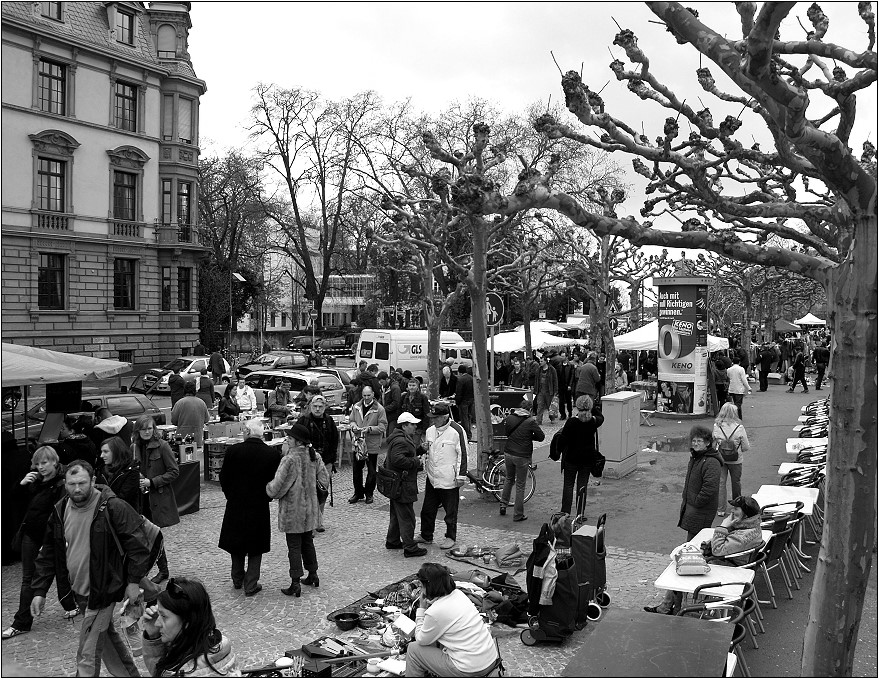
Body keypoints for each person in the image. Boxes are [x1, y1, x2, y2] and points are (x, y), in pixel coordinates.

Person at [30, 460, 151, 677]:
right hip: (80, 592)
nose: (77, 488)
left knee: (87, 652)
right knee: (106, 643)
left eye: (82, 483)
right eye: (71, 483)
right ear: (64, 484)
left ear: (93, 481)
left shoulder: (113, 506)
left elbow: (139, 547)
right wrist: (39, 591)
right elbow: (48, 552)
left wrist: (133, 582)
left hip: (104, 591)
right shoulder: (60, 509)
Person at [644, 496, 763, 615]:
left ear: (746, 514)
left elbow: (718, 550)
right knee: (685, 559)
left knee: (683, 567)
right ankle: (668, 608)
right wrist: (706, 546)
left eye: (736, 509)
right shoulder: (750, 526)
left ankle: (670, 609)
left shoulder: (743, 536)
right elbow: (725, 544)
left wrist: (723, 526)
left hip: (728, 570)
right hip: (732, 564)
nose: (732, 511)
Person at [3, 447, 75, 641]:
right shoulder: (34, 482)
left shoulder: (61, 482)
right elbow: (14, 502)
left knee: (62, 571)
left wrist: (53, 539)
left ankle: (70, 604)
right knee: (28, 578)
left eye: (45, 462)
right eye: (38, 463)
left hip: (51, 537)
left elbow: (60, 513)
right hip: (31, 535)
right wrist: (21, 485)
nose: (41, 467)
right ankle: (21, 622)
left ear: (54, 461)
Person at [218, 419, 281, 597]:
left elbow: (223, 477)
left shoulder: (233, 451)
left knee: (236, 543)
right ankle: (251, 583)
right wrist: (267, 497)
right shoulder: (272, 454)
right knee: (256, 545)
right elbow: (274, 482)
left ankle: (237, 579)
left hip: (236, 503)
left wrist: (230, 494)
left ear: (246, 432)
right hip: (259, 504)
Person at [265, 423, 329, 597]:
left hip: (293, 510)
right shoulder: (314, 456)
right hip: (310, 509)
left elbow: (278, 487)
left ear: (297, 441)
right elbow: (324, 479)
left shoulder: (290, 459)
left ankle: (295, 582)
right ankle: (313, 574)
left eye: (290, 438)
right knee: (308, 542)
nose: (287, 439)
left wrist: (268, 490)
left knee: (294, 546)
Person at [406, 563, 500, 678]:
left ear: (428, 586)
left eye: (421, 586)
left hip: (469, 669)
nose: (421, 590)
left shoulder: (435, 611)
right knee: (437, 638)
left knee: (413, 649)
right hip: (490, 659)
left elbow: (421, 639)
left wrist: (421, 609)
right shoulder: (458, 594)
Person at [141, 576, 240, 676]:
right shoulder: (217, 642)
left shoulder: (185, 673)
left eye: (163, 616)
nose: (157, 623)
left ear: (187, 621)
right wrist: (153, 637)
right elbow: (160, 672)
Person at [134, 414, 179, 584]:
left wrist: (151, 482)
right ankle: (152, 569)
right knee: (145, 535)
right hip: (140, 499)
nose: (147, 432)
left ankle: (162, 570)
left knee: (155, 535)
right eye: (143, 429)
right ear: (137, 431)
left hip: (157, 498)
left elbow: (174, 472)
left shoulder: (162, 446)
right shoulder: (134, 447)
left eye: (149, 428)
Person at [415, 403, 465, 551]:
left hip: (449, 478)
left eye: (436, 418)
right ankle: (426, 534)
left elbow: (463, 454)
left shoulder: (457, 431)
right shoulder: (430, 431)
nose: (433, 420)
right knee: (427, 510)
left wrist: (460, 476)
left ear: (445, 417)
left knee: (450, 511)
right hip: (432, 476)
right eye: (432, 417)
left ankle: (450, 537)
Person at [385, 412, 427, 558]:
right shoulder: (401, 441)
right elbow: (397, 459)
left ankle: (393, 540)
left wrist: (421, 449)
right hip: (403, 484)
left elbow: (407, 453)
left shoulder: (399, 438)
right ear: (404, 426)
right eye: (412, 424)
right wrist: (417, 462)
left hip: (397, 484)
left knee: (397, 515)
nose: (415, 427)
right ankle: (410, 547)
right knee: (407, 516)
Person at [296, 395, 339, 532]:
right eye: (315, 406)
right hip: (308, 462)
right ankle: (309, 523)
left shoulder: (329, 421)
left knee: (322, 492)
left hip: (325, 462)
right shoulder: (303, 421)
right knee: (308, 492)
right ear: (310, 406)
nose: (317, 409)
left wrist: (332, 462)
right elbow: (297, 441)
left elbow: (334, 442)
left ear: (325, 407)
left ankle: (319, 520)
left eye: (320, 406)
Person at [556, 396, 604, 516]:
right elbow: (601, 417)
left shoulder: (572, 422)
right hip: (587, 459)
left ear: (577, 407)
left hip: (571, 458)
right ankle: (580, 514)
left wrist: (558, 451)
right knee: (582, 485)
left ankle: (565, 512)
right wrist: (591, 407)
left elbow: (562, 440)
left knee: (568, 485)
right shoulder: (593, 421)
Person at [500, 398, 545, 522]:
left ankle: (503, 505)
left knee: (509, 479)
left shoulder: (510, 418)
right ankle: (518, 514)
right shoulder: (530, 421)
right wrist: (530, 436)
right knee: (520, 485)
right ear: (530, 410)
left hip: (508, 453)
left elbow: (508, 433)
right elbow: (541, 437)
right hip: (522, 455)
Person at [678, 425, 723, 540]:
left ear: (707, 443)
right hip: (693, 507)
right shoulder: (696, 458)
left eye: (699, 441)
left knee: (695, 541)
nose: (695, 443)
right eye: (694, 440)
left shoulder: (711, 462)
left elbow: (710, 487)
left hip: (701, 509)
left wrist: (697, 501)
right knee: (693, 539)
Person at [348, 386, 387, 505]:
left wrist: (369, 429)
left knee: (371, 470)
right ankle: (358, 492)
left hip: (372, 444)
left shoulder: (379, 409)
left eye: (368, 395)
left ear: (373, 394)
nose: (366, 398)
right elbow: (351, 420)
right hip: (359, 443)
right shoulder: (356, 406)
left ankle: (369, 493)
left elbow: (383, 426)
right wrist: (354, 426)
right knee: (356, 470)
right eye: (364, 395)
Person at [713, 403, 750, 513]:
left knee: (721, 483)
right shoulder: (739, 428)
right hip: (736, 460)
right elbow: (746, 447)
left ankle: (720, 509)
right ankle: (736, 506)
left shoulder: (716, 426)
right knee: (736, 482)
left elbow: (713, 444)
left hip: (721, 458)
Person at [96, 436, 141, 512]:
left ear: (116, 452)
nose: (101, 455)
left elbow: (123, 498)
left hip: (125, 516)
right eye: (101, 452)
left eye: (106, 452)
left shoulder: (131, 472)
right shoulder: (101, 470)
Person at [171, 381, 211, 449]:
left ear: (184, 390)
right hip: (197, 438)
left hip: (182, 438)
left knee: (183, 457)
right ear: (195, 391)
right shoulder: (202, 403)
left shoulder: (179, 403)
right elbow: (207, 419)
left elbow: (173, 420)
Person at [532, 355, 558, 425]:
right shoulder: (538, 370)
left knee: (550, 406)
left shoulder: (552, 369)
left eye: (541, 361)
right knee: (540, 405)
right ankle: (538, 420)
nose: (540, 362)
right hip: (540, 390)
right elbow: (536, 381)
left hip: (549, 390)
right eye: (540, 361)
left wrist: (555, 391)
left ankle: (552, 418)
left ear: (545, 361)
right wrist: (535, 390)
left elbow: (555, 380)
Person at [453, 365, 475, 440]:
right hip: (471, 399)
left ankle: (466, 434)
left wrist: (457, 402)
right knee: (468, 417)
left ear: (459, 372)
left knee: (464, 418)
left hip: (463, 401)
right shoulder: (471, 378)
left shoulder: (460, 380)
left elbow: (459, 392)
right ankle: (469, 433)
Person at [726, 355, 752, 420]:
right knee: (738, 404)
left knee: (733, 403)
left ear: (732, 362)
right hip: (739, 388)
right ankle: (738, 417)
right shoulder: (741, 369)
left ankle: (734, 416)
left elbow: (728, 378)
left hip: (731, 388)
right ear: (739, 362)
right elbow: (744, 379)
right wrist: (748, 388)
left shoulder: (729, 370)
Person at [555, 353, 575, 420]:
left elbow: (572, 376)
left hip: (567, 385)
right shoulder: (559, 366)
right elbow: (557, 376)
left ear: (566, 357)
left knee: (568, 400)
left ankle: (570, 412)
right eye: (561, 356)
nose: (561, 357)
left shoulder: (570, 366)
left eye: (563, 356)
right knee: (561, 400)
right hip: (561, 385)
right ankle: (562, 414)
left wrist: (570, 385)